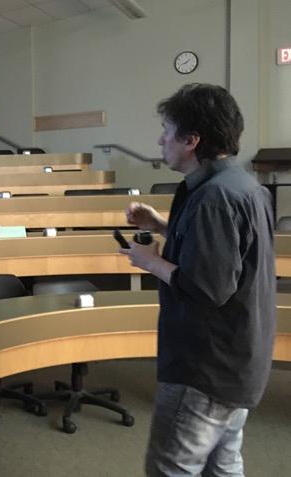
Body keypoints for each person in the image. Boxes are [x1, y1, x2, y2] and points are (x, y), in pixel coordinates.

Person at [119, 83, 276, 476]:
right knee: (223, 467)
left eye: (166, 131)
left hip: (204, 368)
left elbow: (208, 287)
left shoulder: (213, 199)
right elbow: (223, 254)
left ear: (191, 140)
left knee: (172, 469)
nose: (161, 140)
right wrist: (161, 225)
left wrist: (150, 262)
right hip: (237, 359)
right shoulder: (241, 185)